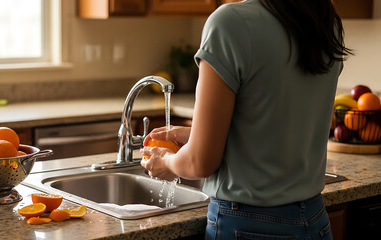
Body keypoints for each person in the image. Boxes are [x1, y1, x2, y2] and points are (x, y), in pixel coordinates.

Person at [141, 0, 352, 239]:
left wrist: (166, 161)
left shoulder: (230, 23)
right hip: (315, 222)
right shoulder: (324, 22)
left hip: (247, 226)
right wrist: (198, 134)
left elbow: (200, 162)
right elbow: (281, 128)